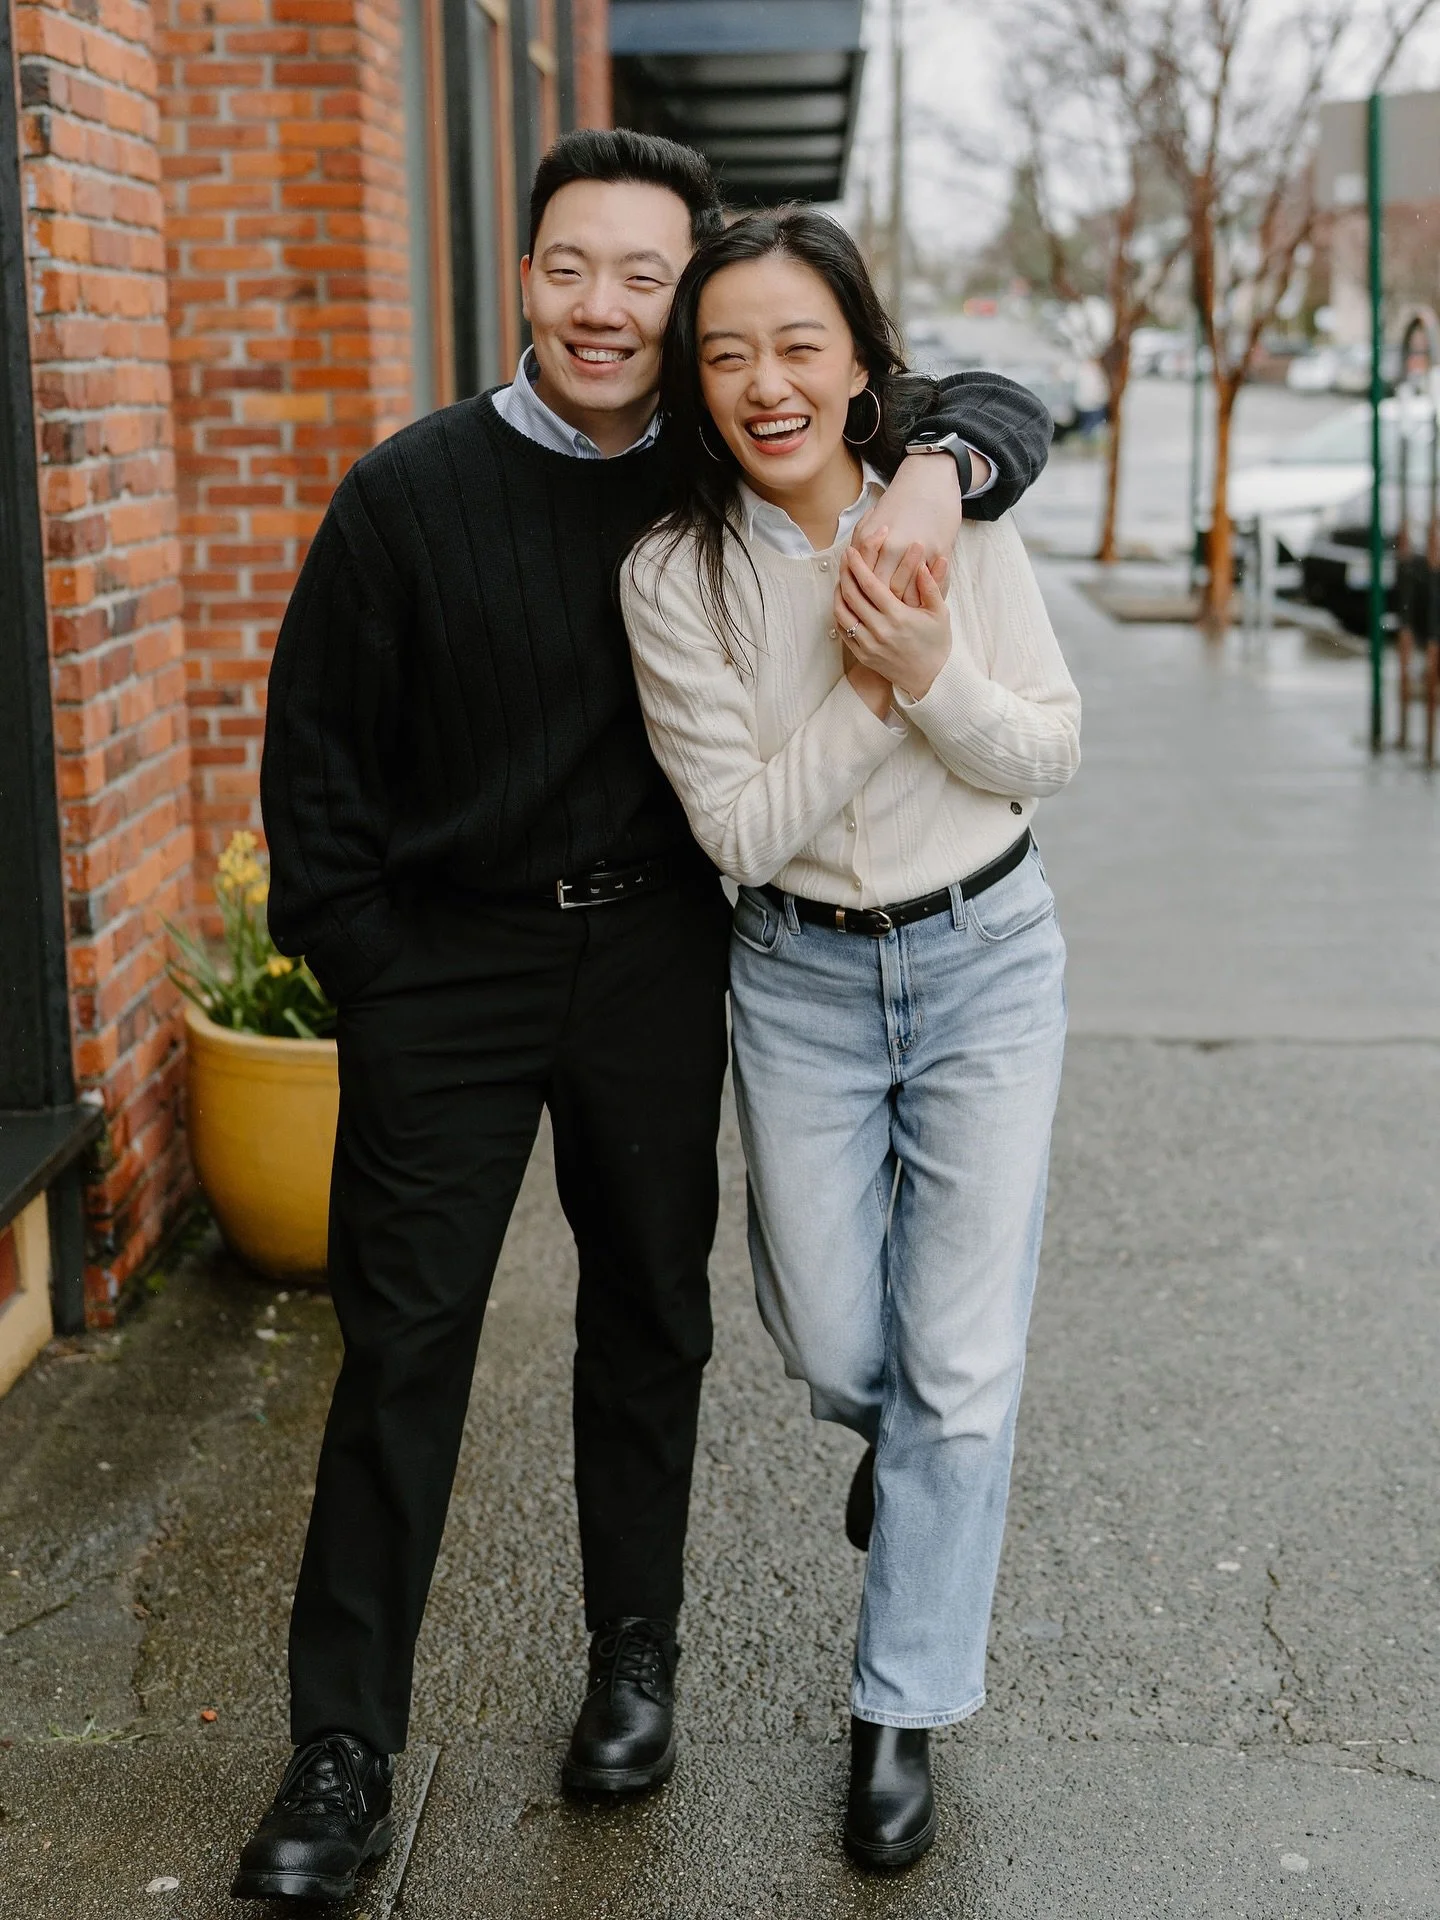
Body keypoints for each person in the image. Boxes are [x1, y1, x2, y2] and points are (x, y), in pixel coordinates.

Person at [233, 127, 1055, 1904]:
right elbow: (312, 765)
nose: (603, 308)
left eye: (646, 279)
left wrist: (945, 471)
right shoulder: (410, 491)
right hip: (448, 972)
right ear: (520, 276)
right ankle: (343, 1746)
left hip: (665, 957)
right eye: (567, 267)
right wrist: (369, 966)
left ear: (687, 308)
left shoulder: (730, 460)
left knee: (652, 1326)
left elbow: (971, 393)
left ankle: (634, 1662)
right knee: (404, 1351)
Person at [621, 208, 1079, 1872]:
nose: (765, 380)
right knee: (831, 1338)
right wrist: (879, 687)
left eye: (798, 344)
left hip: (986, 958)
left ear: (866, 362)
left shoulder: (953, 512)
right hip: (798, 978)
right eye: (727, 352)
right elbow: (740, 830)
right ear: (698, 381)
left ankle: (900, 1708)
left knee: (963, 1369)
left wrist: (938, 669)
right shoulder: (672, 574)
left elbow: (1046, 748)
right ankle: (905, 1460)